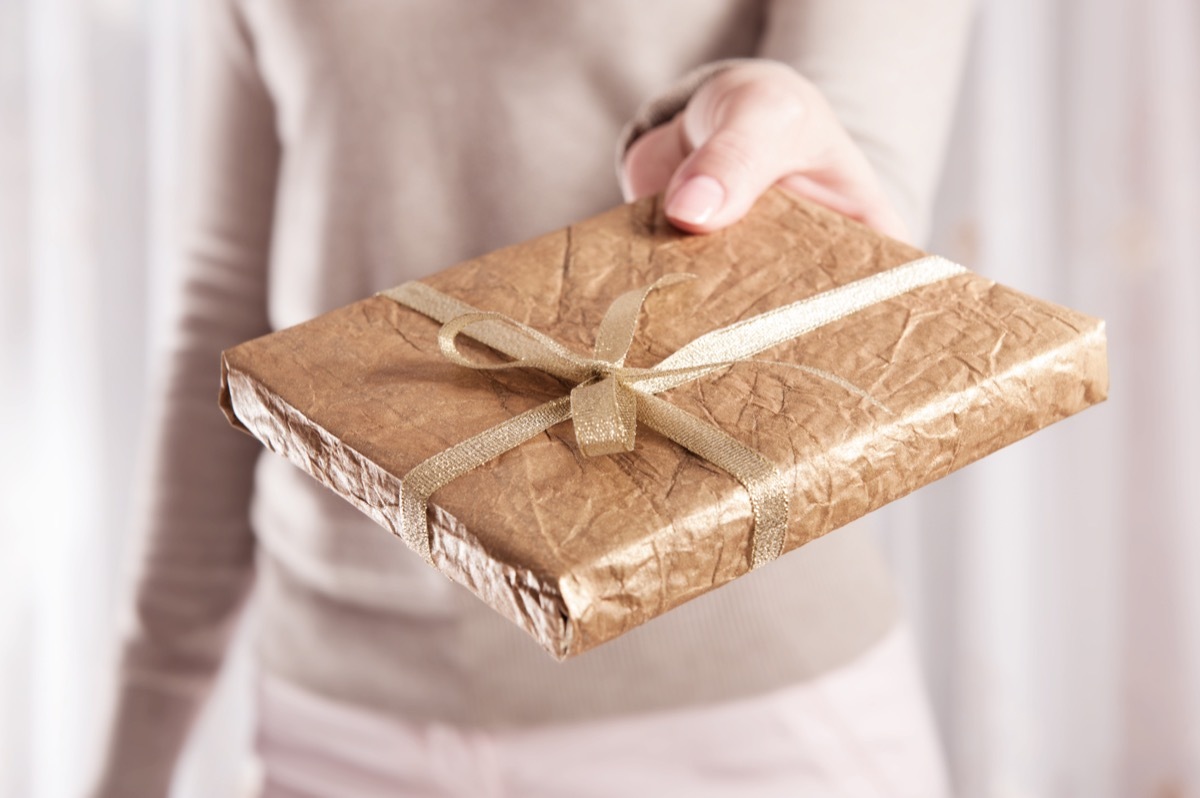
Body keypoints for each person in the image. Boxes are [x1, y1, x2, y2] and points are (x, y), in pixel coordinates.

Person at [91, 1, 972, 795]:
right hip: (334, 723)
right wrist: (139, 741)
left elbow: (860, 192)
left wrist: (766, 122)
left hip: (731, 716)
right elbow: (228, 308)